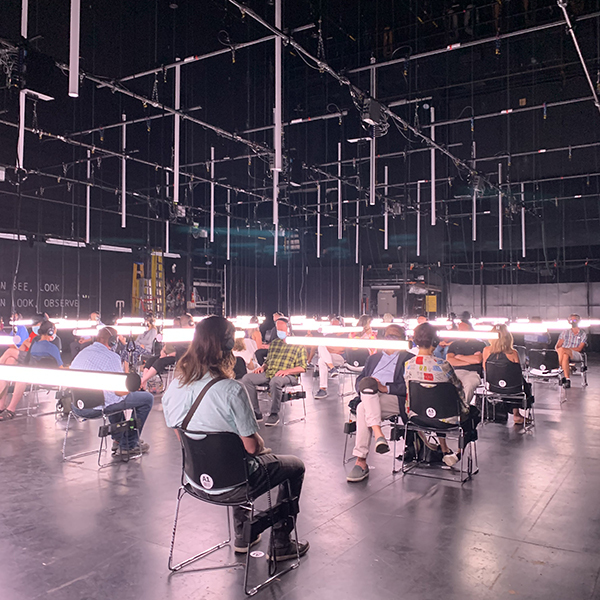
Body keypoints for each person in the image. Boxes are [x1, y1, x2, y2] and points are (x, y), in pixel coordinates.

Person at [162, 316, 309, 560]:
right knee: (294, 466)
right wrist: (261, 446)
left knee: (231, 461)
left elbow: (182, 438)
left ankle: (244, 534)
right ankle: (281, 543)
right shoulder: (231, 390)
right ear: (228, 346)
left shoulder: (174, 387)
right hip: (235, 484)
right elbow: (251, 447)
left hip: (195, 480)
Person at [70, 327, 154, 457]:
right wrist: (133, 387)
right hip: (97, 407)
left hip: (77, 406)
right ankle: (128, 444)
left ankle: (119, 438)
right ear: (113, 342)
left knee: (112, 398)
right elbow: (120, 392)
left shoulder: (82, 354)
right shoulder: (112, 357)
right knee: (146, 398)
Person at [347, 324, 414, 483]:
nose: (390, 339)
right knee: (365, 403)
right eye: (388, 335)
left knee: (364, 407)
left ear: (402, 339)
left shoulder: (408, 359)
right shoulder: (374, 358)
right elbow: (359, 381)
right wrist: (367, 386)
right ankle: (377, 436)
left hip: (394, 399)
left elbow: (409, 386)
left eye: (395, 336)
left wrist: (384, 387)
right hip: (371, 397)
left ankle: (361, 460)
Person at [404, 323, 470, 466]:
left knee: (434, 403)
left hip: (417, 417)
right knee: (471, 416)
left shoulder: (408, 364)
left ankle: (445, 450)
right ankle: (458, 453)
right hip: (446, 418)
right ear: (435, 341)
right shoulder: (443, 365)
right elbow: (459, 391)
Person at [241, 316, 307, 426]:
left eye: (282, 329)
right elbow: (269, 361)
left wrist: (287, 371)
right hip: (270, 372)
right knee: (247, 379)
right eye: (278, 329)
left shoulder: (298, 345)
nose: (279, 331)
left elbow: (303, 368)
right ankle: (256, 411)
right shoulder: (275, 343)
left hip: (289, 376)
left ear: (289, 329)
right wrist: (263, 367)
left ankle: (274, 413)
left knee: (275, 381)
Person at [0, 320, 64, 421]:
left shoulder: (34, 344)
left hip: (33, 373)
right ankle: (7, 409)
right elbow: (60, 368)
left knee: (10, 363)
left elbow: (27, 359)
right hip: (42, 375)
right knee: (10, 361)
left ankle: (5, 408)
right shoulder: (53, 348)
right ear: (51, 332)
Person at [483, 324, 530, 425]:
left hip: (493, 387)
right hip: (513, 389)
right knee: (517, 382)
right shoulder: (513, 353)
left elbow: (485, 368)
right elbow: (517, 373)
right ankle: (516, 414)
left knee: (505, 380)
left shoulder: (486, 351)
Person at [140, 313, 194, 389]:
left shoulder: (188, 336)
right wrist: (162, 352)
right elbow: (165, 347)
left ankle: (142, 380)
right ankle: (144, 383)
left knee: (160, 362)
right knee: (150, 360)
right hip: (166, 354)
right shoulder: (172, 334)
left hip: (175, 357)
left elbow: (182, 352)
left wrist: (167, 355)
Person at [445, 320, 486, 405]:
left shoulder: (480, 344)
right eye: (459, 329)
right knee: (447, 384)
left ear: (470, 329)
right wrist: (470, 360)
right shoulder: (454, 344)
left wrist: (460, 357)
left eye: (463, 328)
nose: (460, 330)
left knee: (469, 385)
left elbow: (478, 360)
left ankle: (463, 408)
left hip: (473, 373)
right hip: (456, 372)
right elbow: (449, 360)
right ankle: (450, 409)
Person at [314, 316, 346, 399]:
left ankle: (323, 388)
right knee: (321, 358)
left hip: (341, 358)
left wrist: (330, 348)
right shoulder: (329, 335)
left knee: (322, 358)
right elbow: (330, 348)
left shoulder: (344, 335)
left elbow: (342, 349)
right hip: (330, 358)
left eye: (336, 325)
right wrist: (333, 349)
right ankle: (331, 370)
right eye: (332, 325)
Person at [556, 314, 587, 388]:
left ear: (578, 321)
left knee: (563, 350)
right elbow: (557, 346)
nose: (573, 322)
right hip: (563, 353)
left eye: (575, 320)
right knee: (565, 355)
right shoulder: (565, 332)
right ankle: (567, 379)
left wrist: (566, 349)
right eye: (571, 320)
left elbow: (579, 348)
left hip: (576, 354)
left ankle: (556, 368)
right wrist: (562, 350)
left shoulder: (583, 334)